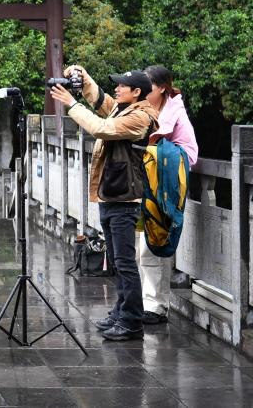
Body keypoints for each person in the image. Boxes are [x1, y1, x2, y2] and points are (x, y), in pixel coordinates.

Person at [50, 67, 158, 341]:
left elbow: (101, 128)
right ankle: (121, 312)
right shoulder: (122, 109)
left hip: (125, 199)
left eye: (122, 86)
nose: (117, 89)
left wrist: (71, 103)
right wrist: (82, 76)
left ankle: (132, 321)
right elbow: (100, 101)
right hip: (111, 194)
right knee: (117, 263)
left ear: (137, 92)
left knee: (125, 263)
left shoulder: (140, 117)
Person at [139, 65, 198, 325]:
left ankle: (156, 305)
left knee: (155, 242)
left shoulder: (173, 109)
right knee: (144, 245)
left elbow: (154, 139)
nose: (143, 91)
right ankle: (148, 302)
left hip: (169, 181)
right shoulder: (151, 106)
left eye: (148, 87)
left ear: (162, 88)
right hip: (153, 180)